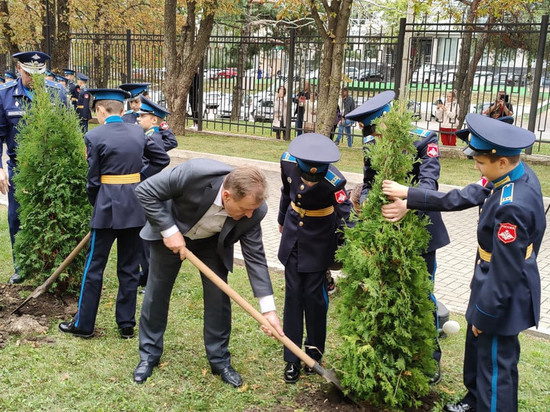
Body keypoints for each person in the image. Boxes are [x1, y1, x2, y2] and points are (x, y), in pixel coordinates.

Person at [381, 113, 545, 412]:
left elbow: (506, 272)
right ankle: (473, 401)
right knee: (477, 350)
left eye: (481, 162)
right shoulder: (512, 174)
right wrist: (412, 196)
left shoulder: (512, 206)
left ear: (503, 162)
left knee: (496, 366)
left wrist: (485, 315)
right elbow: (466, 195)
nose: (476, 166)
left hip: (502, 295)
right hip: (490, 281)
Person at [132, 159, 283, 387]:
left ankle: (220, 360)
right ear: (227, 196)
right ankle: (148, 356)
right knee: (157, 292)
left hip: (212, 243)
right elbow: (145, 190)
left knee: (218, 298)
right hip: (172, 233)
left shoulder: (255, 211)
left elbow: (256, 259)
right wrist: (169, 230)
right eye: (244, 210)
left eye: (252, 210)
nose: (250, 215)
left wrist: (268, 310)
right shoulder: (193, 174)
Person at [346, 90, 450, 384]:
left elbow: (429, 184)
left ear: (390, 121)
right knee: (384, 291)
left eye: (378, 131)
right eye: (371, 133)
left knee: (421, 294)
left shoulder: (424, 139)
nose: (375, 138)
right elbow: (368, 183)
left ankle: (430, 358)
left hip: (420, 232)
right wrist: (366, 201)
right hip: (382, 232)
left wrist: (408, 202)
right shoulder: (370, 143)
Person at [58, 88, 170, 339]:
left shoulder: (94, 135)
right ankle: (126, 324)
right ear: (123, 110)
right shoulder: (138, 131)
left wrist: (95, 202)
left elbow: (93, 179)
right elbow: (161, 159)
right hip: (135, 206)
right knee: (130, 267)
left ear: (100, 110)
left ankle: (84, 324)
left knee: (94, 266)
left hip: (106, 207)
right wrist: (137, 180)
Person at [278, 133, 352, 383]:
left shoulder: (335, 181)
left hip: (319, 241)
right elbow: (286, 191)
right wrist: (280, 220)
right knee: (293, 298)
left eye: (314, 179)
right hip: (293, 236)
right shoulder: (288, 162)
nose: (309, 183)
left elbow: (346, 217)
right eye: (306, 177)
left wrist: (346, 247)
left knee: (315, 300)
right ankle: (292, 359)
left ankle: (314, 353)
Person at [0, 51, 68, 284]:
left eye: (38, 73)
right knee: (17, 217)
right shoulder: (5, 95)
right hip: (20, 167)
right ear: (19, 69)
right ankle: (22, 265)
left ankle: (50, 263)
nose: (33, 78)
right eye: (29, 73)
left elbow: (69, 132)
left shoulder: (56, 93)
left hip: (50, 169)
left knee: (52, 217)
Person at [136, 96, 178, 288]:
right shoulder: (154, 135)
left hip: (147, 191)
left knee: (145, 239)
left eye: (142, 115)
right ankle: (147, 277)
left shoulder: (152, 138)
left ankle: (148, 279)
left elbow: (158, 160)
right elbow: (171, 142)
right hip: (151, 191)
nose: (138, 118)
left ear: (153, 120)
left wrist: (141, 176)